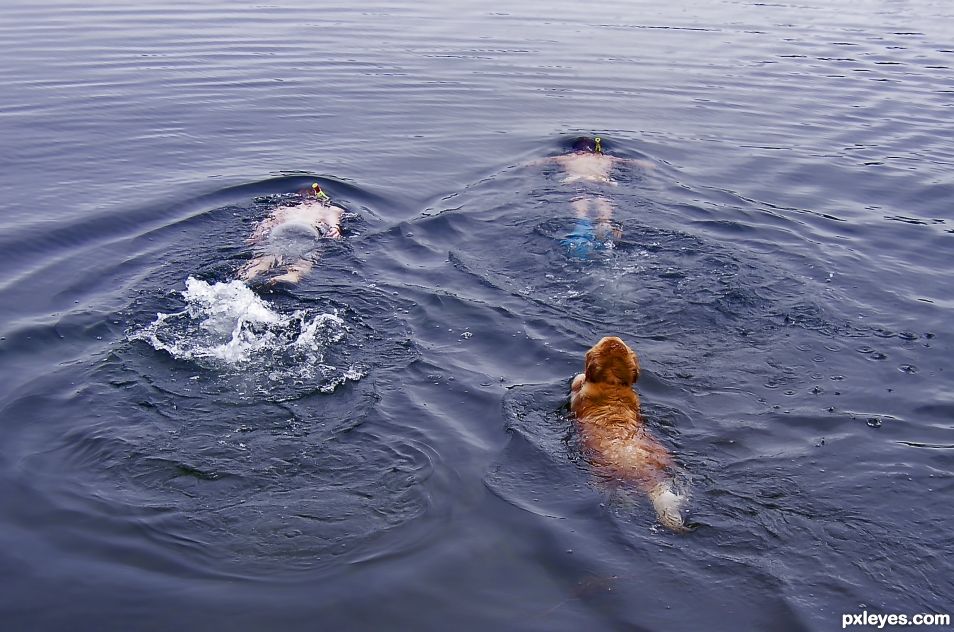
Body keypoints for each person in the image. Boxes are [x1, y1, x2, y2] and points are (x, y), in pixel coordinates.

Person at [529, 136, 653, 258]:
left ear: (576, 150)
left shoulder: (569, 158)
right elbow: (642, 164)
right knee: (602, 199)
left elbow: (536, 163)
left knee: (581, 198)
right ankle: (605, 222)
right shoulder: (606, 158)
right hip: (602, 180)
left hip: (577, 180)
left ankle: (581, 221)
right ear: (595, 150)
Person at [238, 183, 344, 285]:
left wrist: (257, 234)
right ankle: (293, 275)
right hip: (307, 232)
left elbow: (269, 221)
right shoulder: (326, 209)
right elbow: (334, 218)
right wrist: (335, 227)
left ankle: (247, 276)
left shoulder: (288, 208)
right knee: (305, 259)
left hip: (285, 230)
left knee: (267, 256)